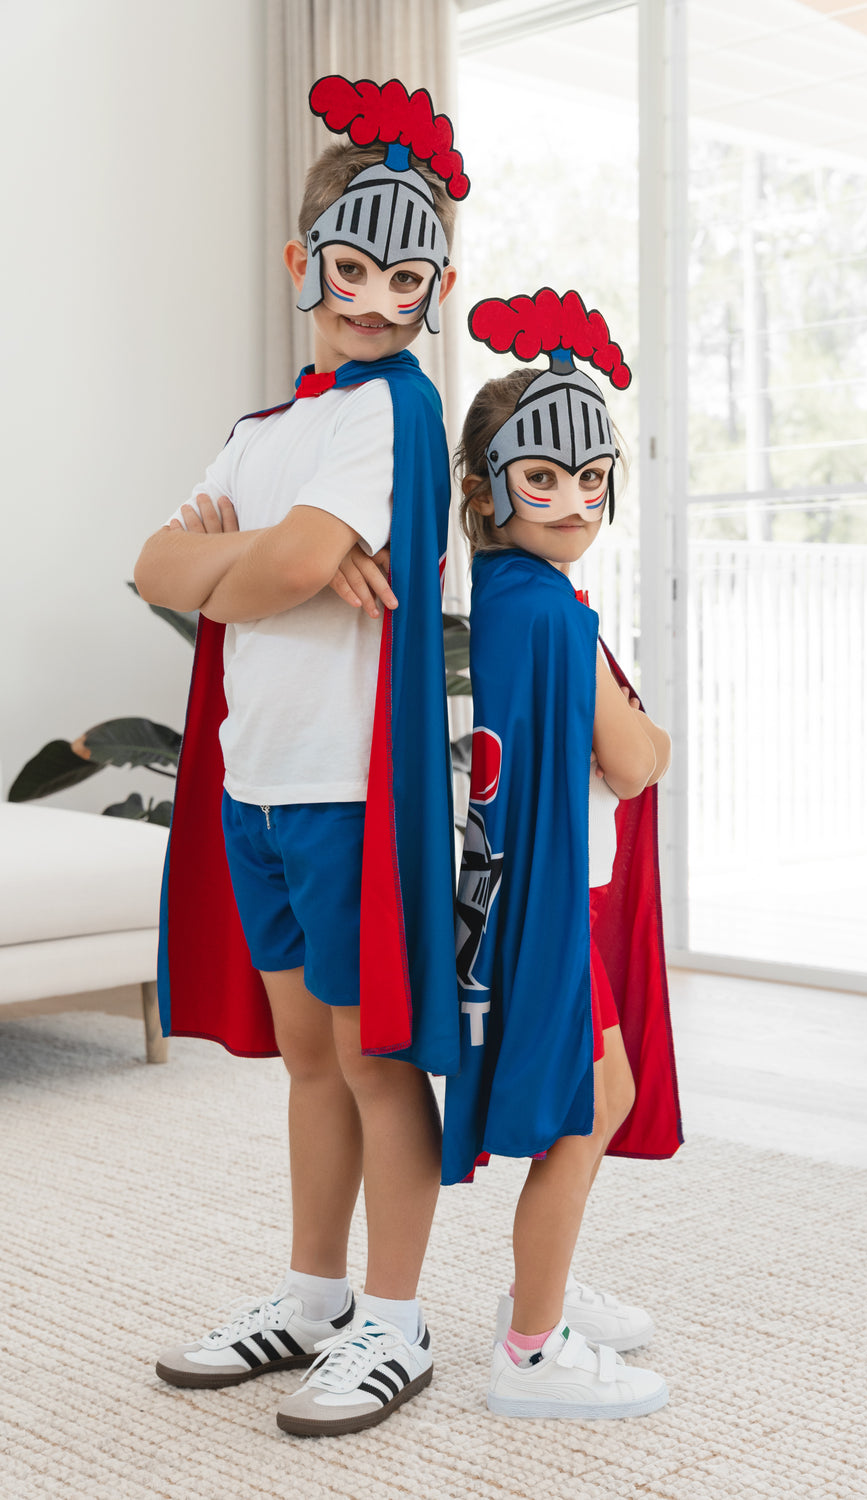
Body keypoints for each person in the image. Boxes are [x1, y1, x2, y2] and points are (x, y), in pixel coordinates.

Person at [133, 75, 468, 1439]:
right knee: (308, 1059)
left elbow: (280, 563)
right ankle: (313, 1292)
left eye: (409, 275)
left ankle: (396, 1318)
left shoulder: (391, 410)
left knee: (377, 1055)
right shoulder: (265, 431)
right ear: (303, 263)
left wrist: (260, 563)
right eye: (352, 268)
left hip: (346, 789)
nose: (378, 300)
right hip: (258, 787)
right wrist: (252, 563)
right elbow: (167, 567)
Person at [443, 289, 683, 1419]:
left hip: (533, 890)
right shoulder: (552, 616)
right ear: (489, 492)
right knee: (590, 1100)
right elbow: (633, 763)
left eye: (594, 479)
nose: (578, 500)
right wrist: (656, 731)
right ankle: (531, 1348)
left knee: (599, 1085)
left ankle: (541, 1295)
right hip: (549, 902)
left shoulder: (501, 596)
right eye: (547, 479)